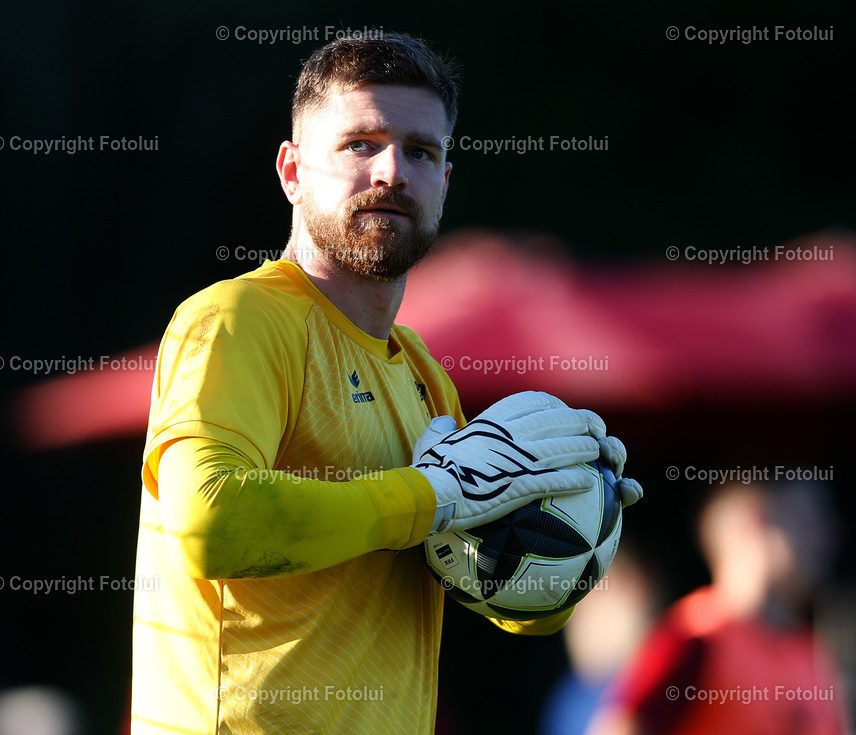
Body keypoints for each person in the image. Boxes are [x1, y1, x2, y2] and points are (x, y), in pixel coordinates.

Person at [130, 32, 642, 735]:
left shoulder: (426, 375)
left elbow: (496, 589)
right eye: (359, 144)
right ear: (291, 171)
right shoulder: (236, 318)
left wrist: (577, 525)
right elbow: (207, 520)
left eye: (421, 151)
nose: (391, 171)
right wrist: (433, 494)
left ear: (444, 184)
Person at [587, 481, 849, 735]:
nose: (827, 535)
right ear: (756, 522)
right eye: (806, 519)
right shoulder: (697, 639)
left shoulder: (811, 651)